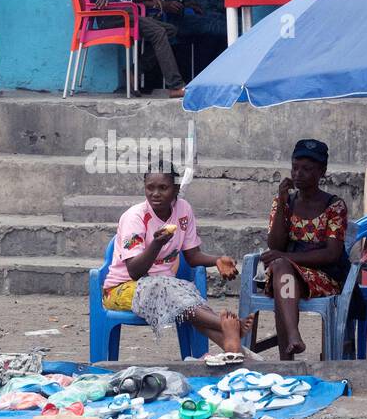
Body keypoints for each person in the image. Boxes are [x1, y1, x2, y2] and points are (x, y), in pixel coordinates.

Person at [102, 163, 253, 360]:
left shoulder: (183, 210)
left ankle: (233, 349)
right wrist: (156, 244)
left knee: (184, 294)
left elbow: (192, 256)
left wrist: (216, 260)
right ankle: (227, 325)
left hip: (165, 288)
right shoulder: (135, 217)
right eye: (150, 188)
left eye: (163, 188)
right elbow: (134, 271)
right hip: (121, 289)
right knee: (166, 288)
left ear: (176, 189)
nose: (155, 194)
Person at [260, 139, 350, 359]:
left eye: (307, 169)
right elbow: (275, 245)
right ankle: (293, 338)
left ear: (322, 171)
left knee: (281, 267)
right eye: (295, 167)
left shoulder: (334, 206)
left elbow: (332, 254)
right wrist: (282, 204)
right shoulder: (285, 201)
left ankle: (286, 356)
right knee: (282, 272)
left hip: (324, 276)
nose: (298, 174)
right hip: (289, 276)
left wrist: (286, 257)